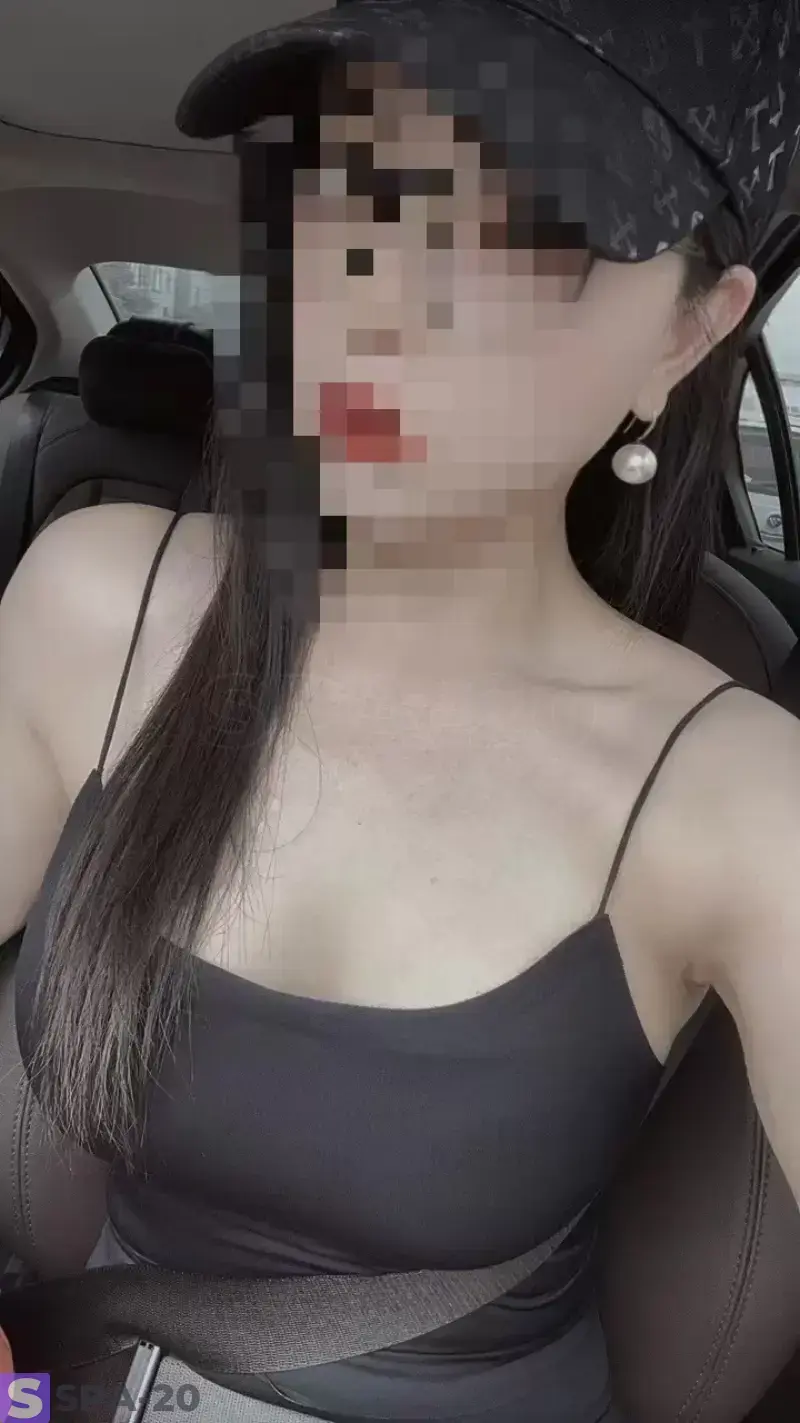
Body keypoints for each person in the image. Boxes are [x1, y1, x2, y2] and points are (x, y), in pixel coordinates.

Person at [2, 0, 800, 1419]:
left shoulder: (736, 795)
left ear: (690, 332)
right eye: (351, 187)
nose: (374, 297)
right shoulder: (97, 605)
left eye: (527, 230)